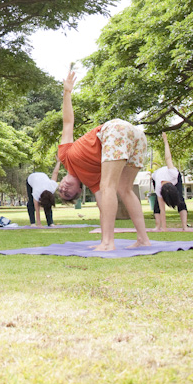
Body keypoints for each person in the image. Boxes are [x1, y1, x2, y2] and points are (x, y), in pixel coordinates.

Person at [55, 67, 152, 251]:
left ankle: (108, 243)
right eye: (67, 193)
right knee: (124, 189)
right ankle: (142, 239)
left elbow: (68, 123)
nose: (64, 188)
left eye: (61, 188)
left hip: (115, 130)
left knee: (111, 187)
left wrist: (67, 93)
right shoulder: (95, 182)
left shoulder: (65, 156)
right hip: (137, 138)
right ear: (78, 191)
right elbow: (103, 209)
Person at [151, 133, 190, 231]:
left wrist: (165, 140)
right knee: (157, 203)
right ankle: (158, 226)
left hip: (174, 178)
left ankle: (185, 226)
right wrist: (164, 228)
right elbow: (162, 209)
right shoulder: (158, 187)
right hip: (156, 178)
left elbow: (168, 158)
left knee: (180, 199)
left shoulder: (173, 173)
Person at [27, 157, 60, 227]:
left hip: (42, 176)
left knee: (48, 205)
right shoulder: (36, 192)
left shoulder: (52, 187)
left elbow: (55, 173)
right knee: (31, 202)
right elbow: (37, 209)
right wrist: (39, 224)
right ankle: (32, 223)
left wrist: (59, 162)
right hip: (31, 179)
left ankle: (50, 222)